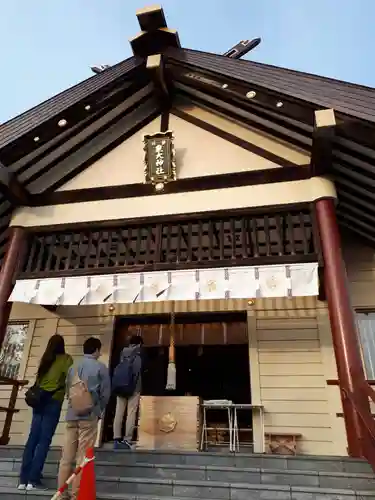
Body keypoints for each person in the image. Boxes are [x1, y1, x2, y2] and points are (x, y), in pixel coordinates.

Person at [58, 337, 110, 500]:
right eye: (99, 350)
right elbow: (105, 393)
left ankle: (61, 493)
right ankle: (76, 494)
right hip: (89, 415)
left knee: (66, 457)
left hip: (72, 415)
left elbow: (68, 390)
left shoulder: (73, 367)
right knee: (83, 457)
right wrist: (99, 411)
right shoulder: (101, 368)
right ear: (96, 350)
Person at [18, 334, 73, 491]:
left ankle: (23, 480)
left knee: (32, 439)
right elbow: (69, 379)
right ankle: (33, 480)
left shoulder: (45, 359)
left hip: (39, 401)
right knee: (44, 440)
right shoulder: (66, 359)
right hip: (53, 402)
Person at [113, 334, 143, 449]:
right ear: (139, 344)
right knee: (131, 413)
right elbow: (136, 373)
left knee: (119, 412)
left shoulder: (122, 354)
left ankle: (116, 438)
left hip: (120, 387)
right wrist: (134, 388)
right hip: (133, 389)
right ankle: (127, 439)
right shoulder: (137, 356)